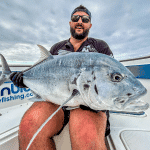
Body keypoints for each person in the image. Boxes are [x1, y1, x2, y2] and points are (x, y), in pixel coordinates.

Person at [10, 5, 113, 150]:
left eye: (85, 19)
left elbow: (109, 79)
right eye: (75, 18)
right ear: (70, 23)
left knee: (86, 132)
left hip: (90, 103)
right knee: (29, 124)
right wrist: (24, 79)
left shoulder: (101, 47)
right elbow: (44, 75)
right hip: (58, 101)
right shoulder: (57, 48)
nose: (80, 21)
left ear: (90, 24)